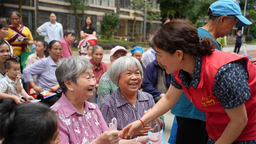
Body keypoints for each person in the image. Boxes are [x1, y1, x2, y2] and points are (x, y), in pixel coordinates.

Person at [121, 18, 256, 144]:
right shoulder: (181, 69)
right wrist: (141, 122)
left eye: (160, 55)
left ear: (179, 54)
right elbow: (168, 99)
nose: (158, 61)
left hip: (246, 133)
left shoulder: (223, 72)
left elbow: (239, 120)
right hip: (217, 129)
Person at [51, 56, 157, 144]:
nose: (93, 83)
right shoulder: (55, 115)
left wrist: (137, 141)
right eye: (88, 78)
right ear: (69, 84)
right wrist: (98, 142)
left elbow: (111, 140)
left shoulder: (93, 109)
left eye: (93, 77)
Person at [101, 56, 164, 135]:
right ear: (117, 78)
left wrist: (154, 119)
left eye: (137, 73)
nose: (134, 77)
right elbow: (105, 137)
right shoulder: (109, 105)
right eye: (128, 73)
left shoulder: (148, 98)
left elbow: (160, 127)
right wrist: (131, 132)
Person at [23, 40, 62, 106]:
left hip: (60, 92)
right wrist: (34, 86)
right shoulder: (44, 62)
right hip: (46, 94)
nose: (58, 51)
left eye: (60, 49)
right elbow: (26, 71)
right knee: (59, 105)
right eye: (55, 49)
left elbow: (66, 79)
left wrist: (58, 86)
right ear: (49, 50)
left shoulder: (61, 63)